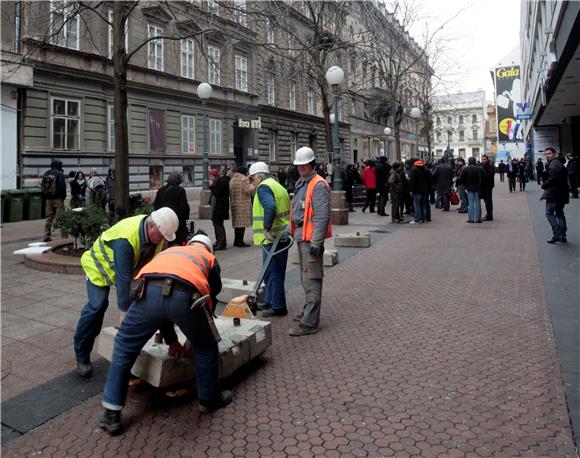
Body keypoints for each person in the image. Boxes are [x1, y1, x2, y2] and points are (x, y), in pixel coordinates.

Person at [99, 233, 232, 435]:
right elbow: (213, 292)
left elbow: (161, 302)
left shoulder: (169, 250)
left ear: (188, 243)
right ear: (209, 249)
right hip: (186, 294)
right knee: (205, 347)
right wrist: (200, 326)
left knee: (124, 346)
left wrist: (171, 340)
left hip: (146, 292)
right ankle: (208, 399)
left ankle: (111, 413)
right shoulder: (209, 258)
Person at [73, 207, 179, 378]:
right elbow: (124, 281)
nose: (163, 241)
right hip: (98, 268)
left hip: (125, 271)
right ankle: (82, 354)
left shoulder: (157, 238)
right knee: (97, 306)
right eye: (162, 236)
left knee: (140, 302)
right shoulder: (126, 239)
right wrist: (124, 313)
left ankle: (129, 357)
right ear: (152, 227)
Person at [289, 147, 332, 336]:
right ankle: (308, 311)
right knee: (305, 278)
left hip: (310, 240)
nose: (300, 168)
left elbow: (322, 216)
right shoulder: (303, 183)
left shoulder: (318, 185)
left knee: (312, 279)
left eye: (304, 165)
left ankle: (309, 323)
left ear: (311, 164)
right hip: (302, 236)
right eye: (298, 165)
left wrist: (316, 242)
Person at [249, 161, 291, 317]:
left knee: (274, 273)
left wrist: (266, 229)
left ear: (259, 177)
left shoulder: (263, 188)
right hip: (281, 236)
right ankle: (269, 300)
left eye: (252, 178)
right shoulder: (277, 185)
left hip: (272, 238)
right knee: (270, 271)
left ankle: (278, 306)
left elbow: (270, 207)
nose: (252, 182)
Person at [153, 172, 191, 245]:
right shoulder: (180, 190)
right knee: (178, 240)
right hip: (176, 220)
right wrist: (185, 217)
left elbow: (156, 205)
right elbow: (183, 207)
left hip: (163, 220)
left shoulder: (161, 190)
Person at [542, 147, 569, 243]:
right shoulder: (558, 163)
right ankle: (562, 235)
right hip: (561, 193)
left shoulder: (554, 164)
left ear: (554, 154)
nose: (547, 156)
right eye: (545, 154)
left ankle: (557, 233)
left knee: (549, 213)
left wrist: (544, 185)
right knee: (559, 213)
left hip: (554, 194)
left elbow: (553, 178)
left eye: (549, 153)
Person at [41, 159, 67, 242]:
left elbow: (42, 186)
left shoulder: (46, 173)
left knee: (49, 218)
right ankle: (64, 236)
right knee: (62, 218)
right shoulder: (60, 173)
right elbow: (62, 186)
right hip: (58, 199)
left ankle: (46, 235)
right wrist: (63, 197)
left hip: (49, 199)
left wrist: (46, 196)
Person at [229, 166, 253, 247]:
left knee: (237, 224)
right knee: (242, 224)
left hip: (234, 204)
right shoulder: (244, 179)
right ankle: (240, 241)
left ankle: (236, 241)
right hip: (243, 204)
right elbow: (247, 191)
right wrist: (252, 186)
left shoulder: (233, 179)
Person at [209, 168, 230, 250]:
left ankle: (221, 243)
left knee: (218, 225)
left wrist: (211, 186)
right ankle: (219, 241)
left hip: (220, 208)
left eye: (211, 176)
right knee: (216, 224)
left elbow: (217, 193)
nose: (210, 178)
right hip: (218, 207)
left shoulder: (222, 182)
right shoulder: (219, 182)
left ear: (215, 176)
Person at [457, 157, 483, 223]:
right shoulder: (479, 168)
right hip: (477, 187)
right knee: (477, 203)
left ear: (469, 161)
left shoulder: (465, 169)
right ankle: (478, 219)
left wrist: (465, 185)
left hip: (469, 188)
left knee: (470, 203)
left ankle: (471, 219)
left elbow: (461, 179)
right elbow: (484, 178)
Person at [480, 154, 495, 221]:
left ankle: (489, 215)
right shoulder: (483, 166)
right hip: (484, 186)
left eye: (484, 159)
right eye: (482, 159)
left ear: (487, 159)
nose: (483, 160)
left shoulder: (489, 166)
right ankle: (488, 214)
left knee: (488, 201)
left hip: (488, 186)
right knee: (486, 201)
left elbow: (489, 176)